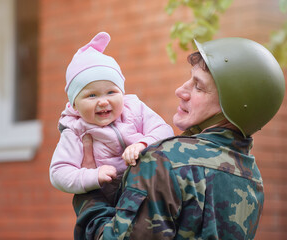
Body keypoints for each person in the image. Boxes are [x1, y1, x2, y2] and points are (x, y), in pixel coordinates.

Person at [73, 37, 285, 239]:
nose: (180, 91)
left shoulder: (163, 161)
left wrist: (89, 190)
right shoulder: (251, 177)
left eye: (198, 86)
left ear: (231, 105)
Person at [49, 32, 174, 203]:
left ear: (122, 93)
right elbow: (59, 172)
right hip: (112, 201)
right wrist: (92, 176)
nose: (103, 101)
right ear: (74, 105)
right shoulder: (75, 130)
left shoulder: (134, 108)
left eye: (111, 92)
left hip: (150, 187)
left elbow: (164, 130)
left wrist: (142, 144)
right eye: (92, 95)